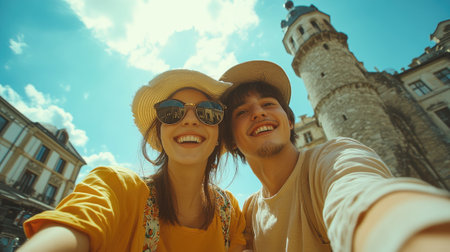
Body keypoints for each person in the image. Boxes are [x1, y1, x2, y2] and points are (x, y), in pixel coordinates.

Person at [219, 60, 450, 252]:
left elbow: (360, 196)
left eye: (268, 103)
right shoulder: (247, 213)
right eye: (242, 111)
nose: (258, 112)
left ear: (290, 122)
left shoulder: (334, 156)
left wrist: (412, 233)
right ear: (230, 141)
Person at [18, 69, 246, 252]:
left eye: (208, 112)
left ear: (218, 134)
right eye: (171, 111)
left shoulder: (230, 212)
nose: (189, 120)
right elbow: (70, 228)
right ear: (159, 133)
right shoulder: (116, 188)